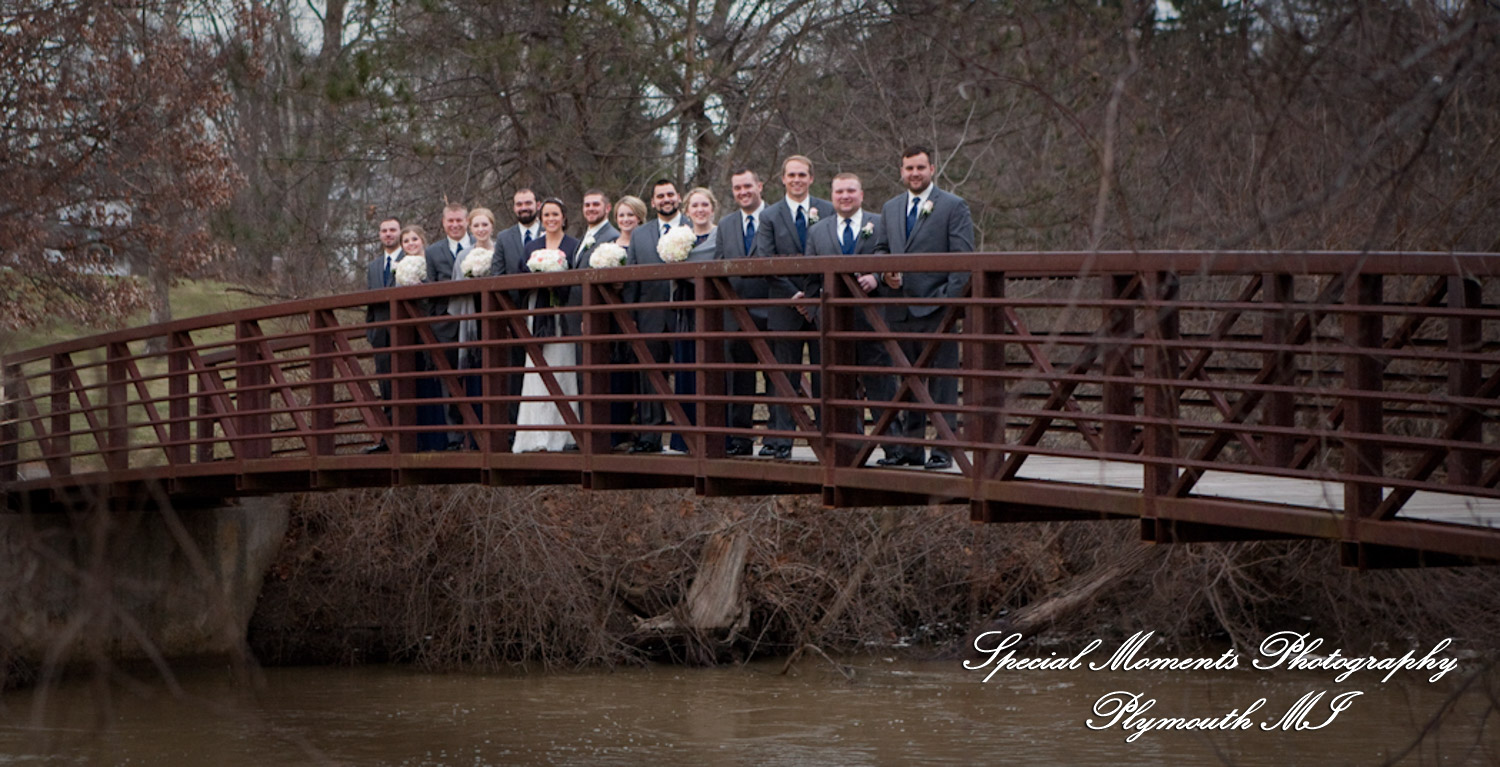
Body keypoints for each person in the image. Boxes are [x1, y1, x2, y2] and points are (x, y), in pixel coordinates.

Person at [871, 145, 974, 470]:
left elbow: (963, 260)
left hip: (937, 309)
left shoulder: (953, 206)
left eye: (920, 167)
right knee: (907, 383)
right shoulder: (890, 208)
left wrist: (948, 303)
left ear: (932, 169)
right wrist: (885, 273)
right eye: (909, 168)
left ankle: (943, 451)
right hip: (900, 308)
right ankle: (912, 449)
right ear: (901, 171)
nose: (914, 173)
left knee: (942, 383)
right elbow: (880, 250)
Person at [801, 173, 896, 460]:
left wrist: (876, 277)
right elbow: (810, 278)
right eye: (839, 191)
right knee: (840, 388)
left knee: (881, 386)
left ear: (861, 194)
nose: (845, 196)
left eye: (851, 191)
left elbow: (892, 262)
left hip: (872, 321)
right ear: (832, 196)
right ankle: (850, 449)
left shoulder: (880, 224)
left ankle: (894, 447)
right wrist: (816, 313)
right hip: (832, 324)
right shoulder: (818, 231)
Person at [756, 155, 835, 459]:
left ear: (811, 178)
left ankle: (828, 443)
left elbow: (834, 253)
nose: (797, 180)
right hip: (785, 305)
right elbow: (766, 260)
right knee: (782, 377)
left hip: (821, 304)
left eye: (802, 174)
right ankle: (780, 441)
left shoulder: (827, 210)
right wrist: (796, 295)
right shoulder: (770, 216)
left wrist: (813, 295)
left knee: (825, 375)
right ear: (783, 179)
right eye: (791, 175)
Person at [513, 198, 582, 452]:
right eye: (546, 215)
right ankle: (535, 435)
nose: (551, 219)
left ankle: (563, 435)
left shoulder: (574, 245)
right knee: (536, 374)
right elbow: (520, 279)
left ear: (563, 217)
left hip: (563, 316)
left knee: (563, 370)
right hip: (538, 315)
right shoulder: (532, 247)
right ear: (541, 219)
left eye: (555, 214)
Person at [624, 180, 685, 453]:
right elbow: (632, 278)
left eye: (670, 194)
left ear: (679, 197)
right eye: (660, 196)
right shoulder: (640, 235)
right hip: (650, 316)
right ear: (652, 202)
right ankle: (650, 436)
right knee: (650, 378)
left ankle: (687, 438)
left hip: (686, 314)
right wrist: (632, 316)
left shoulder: (692, 227)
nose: (666, 199)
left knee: (688, 375)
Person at [714, 169, 768, 457]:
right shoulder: (726, 224)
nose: (743, 192)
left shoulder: (775, 216)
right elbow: (719, 264)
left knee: (777, 378)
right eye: (737, 188)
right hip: (735, 314)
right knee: (738, 380)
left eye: (748, 186)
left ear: (760, 186)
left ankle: (777, 441)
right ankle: (740, 439)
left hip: (772, 309)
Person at [667, 187, 719, 452]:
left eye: (704, 205)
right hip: (685, 311)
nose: (700, 210)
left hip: (713, 310)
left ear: (713, 208)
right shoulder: (678, 238)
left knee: (711, 374)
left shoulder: (721, 236)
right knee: (686, 370)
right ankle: (685, 439)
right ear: (687, 211)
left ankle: (715, 437)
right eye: (695, 206)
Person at [489, 189, 541, 443]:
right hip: (514, 316)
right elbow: (496, 275)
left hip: (545, 314)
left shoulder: (551, 231)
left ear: (537, 205)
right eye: (519, 204)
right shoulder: (504, 237)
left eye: (528, 203)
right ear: (513, 207)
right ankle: (515, 431)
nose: (524, 207)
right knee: (516, 373)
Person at [393, 225, 449, 453]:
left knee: (435, 378)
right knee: (414, 381)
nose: (411, 244)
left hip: (431, 324)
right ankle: (419, 439)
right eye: (406, 241)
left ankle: (440, 438)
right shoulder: (399, 268)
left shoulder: (430, 262)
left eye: (414, 239)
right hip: (409, 332)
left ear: (423, 240)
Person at [423, 202, 470, 449]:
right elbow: (430, 291)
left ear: (467, 221)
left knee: (477, 376)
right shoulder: (432, 252)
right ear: (443, 223)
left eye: (459, 220)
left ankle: (479, 433)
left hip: (475, 322)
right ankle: (454, 436)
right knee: (450, 381)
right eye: (450, 221)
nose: (455, 225)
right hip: (445, 326)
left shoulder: (480, 245)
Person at [606, 195, 647, 449]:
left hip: (641, 312)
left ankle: (641, 429)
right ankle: (617, 430)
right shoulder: (609, 246)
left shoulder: (646, 242)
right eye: (621, 215)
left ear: (640, 217)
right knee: (616, 372)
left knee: (640, 373)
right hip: (614, 317)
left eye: (630, 214)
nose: (626, 219)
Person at [362, 216, 401, 453]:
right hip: (380, 335)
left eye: (392, 230)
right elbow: (370, 302)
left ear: (400, 232)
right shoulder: (374, 266)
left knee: (404, 385)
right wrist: (372, 332)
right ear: (379, 235)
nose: (388, 234)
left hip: (403, 333)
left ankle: (407, 437)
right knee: (385, 386)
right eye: (384, 230)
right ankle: (388, 438)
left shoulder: (410, 259)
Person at [578, 188, 620, 255]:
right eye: (587, 205)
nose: (591, 208)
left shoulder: (613, 237)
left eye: (596, 204)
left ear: (608, 208)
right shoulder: (585, 236)